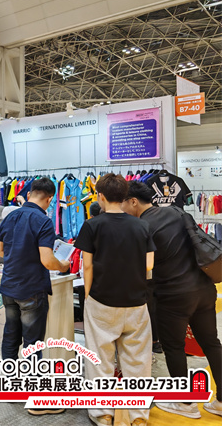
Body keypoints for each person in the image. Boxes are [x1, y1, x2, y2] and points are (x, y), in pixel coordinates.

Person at [122, 181, 222, 418]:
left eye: (123, 202)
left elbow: (141, 267)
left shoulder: (140, 227)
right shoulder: (176, 211)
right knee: (211, 343)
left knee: (174, 347)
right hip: (204, 288)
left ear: (133, 201)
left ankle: (185, 403)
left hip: (173, 294)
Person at [74, 174, 155, 426]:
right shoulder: (141, 225)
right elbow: (149, 265)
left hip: (102, 300)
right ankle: (138, 417)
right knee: (138, 361)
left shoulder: (92, 225)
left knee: (100, 359)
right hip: (136, 302)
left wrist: (88, 295)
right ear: (125, 196)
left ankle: (103, 414)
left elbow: (87, 266)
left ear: (100, 196)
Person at [0, 178, 70, 365]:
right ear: (50, 199)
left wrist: (17, 255)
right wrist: (63, 265)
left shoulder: (10, 216)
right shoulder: (44, 221)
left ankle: (8, 377)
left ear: (28, 194)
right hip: (31, 289)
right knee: (32, 343)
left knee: (10, 336)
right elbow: (47, 260)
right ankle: (31, 380)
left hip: (9, 286)